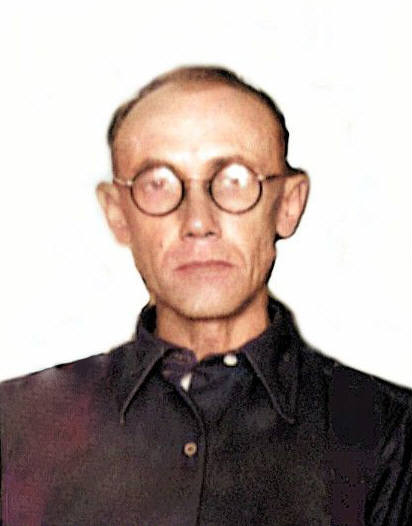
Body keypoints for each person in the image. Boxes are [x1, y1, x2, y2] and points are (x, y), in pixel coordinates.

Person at [0, 66, 410, 526]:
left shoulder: (390, 437)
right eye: (158, 183)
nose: (198, 221)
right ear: (117, 213)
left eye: (234, 180)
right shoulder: (16, 427)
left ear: (288, 204)